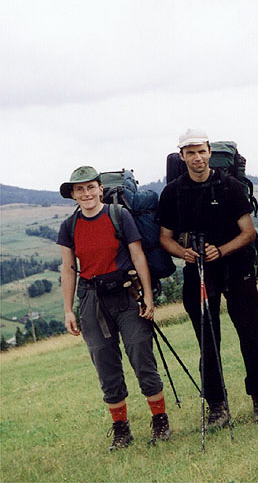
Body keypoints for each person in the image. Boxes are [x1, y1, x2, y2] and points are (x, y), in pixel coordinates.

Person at [157, 128, 258, 425]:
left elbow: (248, 234)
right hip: (197, 270)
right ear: (181, 156)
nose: (197, 157)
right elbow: (165, 238)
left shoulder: (230, 186)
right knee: (207, 340)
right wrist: (184, 253)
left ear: (209, 151)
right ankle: (217, 406)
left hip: (236, 265)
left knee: (251, 334)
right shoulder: (173, 192)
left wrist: (220, 251)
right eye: (190, 152)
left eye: (201, 151)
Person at [57, 166, 170, 450]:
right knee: (105, 366)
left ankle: (160, 422)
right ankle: (121, 429)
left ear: (100, 188)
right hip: (92, 300)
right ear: (73, 194)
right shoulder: (69, 226)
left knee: (142, 357)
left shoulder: (119, 215)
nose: (86, 194)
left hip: (126, 295)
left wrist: (148, 297)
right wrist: (69, 310)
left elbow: (138, 255)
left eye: (91, 187)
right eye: (80, 189)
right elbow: (69, 269)